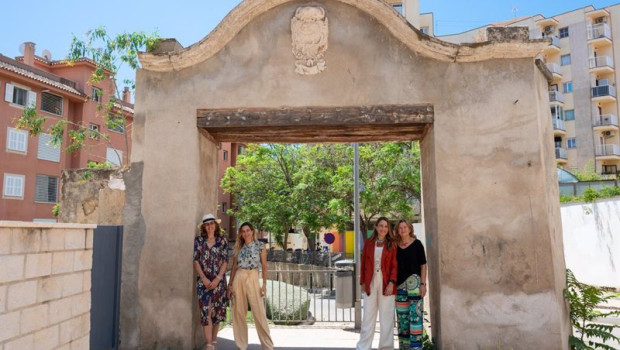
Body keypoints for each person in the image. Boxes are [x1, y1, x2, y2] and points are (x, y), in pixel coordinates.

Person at [228, 222, 274, 350]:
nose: (246, 233)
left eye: (248, 230)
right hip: (239, 277)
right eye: (243, 231)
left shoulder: (260, 246)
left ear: (252, 231)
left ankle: (268, 346)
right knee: (239, 312)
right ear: (241, 234)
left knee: (259, 312)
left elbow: (264, 267)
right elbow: (233, 268)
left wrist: (264, 284)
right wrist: (230, 285)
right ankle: (241, 345)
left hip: (253, 276)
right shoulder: (238, 247)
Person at [356, 217, 398, 350]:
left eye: (386, 226)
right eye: (381, 225)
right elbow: (363, 263)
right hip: (371, 281)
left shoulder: (392, 244)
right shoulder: (369, 243)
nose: (383, 228)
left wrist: (392, 282)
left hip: (386, 282)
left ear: (388, 229)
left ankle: (386, 347)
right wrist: (362, 281)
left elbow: (394, 266)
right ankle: (363, 346)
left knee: (386, 316)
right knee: (368, 316)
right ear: (376, 227)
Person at [193, 214, 229, 350]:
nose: (209, 227)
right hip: (203, 282)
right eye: (207, 225)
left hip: (219, 282)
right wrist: (204, 278)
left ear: (216, 225)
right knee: (206, 311)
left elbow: (225, 261)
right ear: (204, 227)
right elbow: (195, 260)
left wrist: (217, 279)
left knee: (217, 312)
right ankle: (208, 344)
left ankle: (213, 342)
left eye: (212, 224)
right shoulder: (198, 241)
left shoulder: (223, 241)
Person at [395, 220, 427, 350]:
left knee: (415, 319)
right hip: (399, 287)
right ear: (397, 230)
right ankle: (404, 347)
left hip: (415, 285)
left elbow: (423, 265)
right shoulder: (394, 246)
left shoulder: (417, 244)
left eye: (405, 227)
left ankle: (416, 348)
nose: (403, 230)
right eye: (400, 228)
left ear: (410, 229)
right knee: (402, 320)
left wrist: (423, 284)